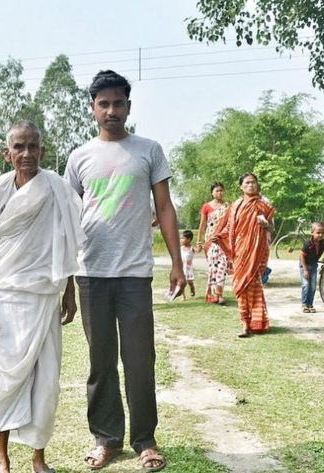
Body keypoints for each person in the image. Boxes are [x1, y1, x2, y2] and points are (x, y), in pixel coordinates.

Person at [64, 70, 185, 472]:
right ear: (92, 108)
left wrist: (177, 264)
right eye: (104, 103)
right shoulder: (79, 157)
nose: (111, 110)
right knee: (101, 362)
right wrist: (65, 277)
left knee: (139, 360)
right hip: (92, 273)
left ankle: (145, 440)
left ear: (129, 107)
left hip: (135, 274)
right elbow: (67, 218)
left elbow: (164, 208)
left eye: (118, 103)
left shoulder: (148, 150)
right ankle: (106, 439)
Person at [0, 121, 84, 473]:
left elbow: (66, 242)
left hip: (45, 296)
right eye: (19, 147)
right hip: (5, 297)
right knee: (4, 379)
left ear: (42, 150)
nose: (26, 154)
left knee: (46, 380)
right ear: (7, 154)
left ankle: (38, 458)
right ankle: (2, 456)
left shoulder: (58, 189)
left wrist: (69, 291)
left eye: (32, 147)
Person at [214, 173, 275, 338]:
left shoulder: (263, 206)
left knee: (253, 286)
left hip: (256, 251)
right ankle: (244, 324)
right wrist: (219, 237)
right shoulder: (235, 206)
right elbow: (230, 229)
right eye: (247, 183)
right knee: (240, 287)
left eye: (254, 182)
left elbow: (272, 230)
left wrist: (266, 224)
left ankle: (257, 322)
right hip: (240, 252)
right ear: (241, 186)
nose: (251, 185)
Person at [196, 182, 229, 305]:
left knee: (223, 266)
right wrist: (199, 242)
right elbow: (202, 225)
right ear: (212, 193)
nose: (220, 193)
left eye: (221, 190)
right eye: (217, 190)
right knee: (213, 268)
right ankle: (213, 294)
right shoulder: (206, 207)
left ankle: (219, 294)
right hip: (210, 242)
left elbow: (230, 225)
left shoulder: (227, 207)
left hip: (223, 241)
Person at [300, 222, 324, 313]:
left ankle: (310, 304)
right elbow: (302, 256)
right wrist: (305, 270)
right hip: (305, 266)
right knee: (306, 285)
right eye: (318, 233)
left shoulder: (322, 243)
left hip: (314, 266)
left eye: (322, 233)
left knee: (313, 286)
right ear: (312, 233)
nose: (320, 235)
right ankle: (304, 304)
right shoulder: (308, 243)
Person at [179, 230, 196, 299]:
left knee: (190, 282)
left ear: (189, 239)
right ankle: (183, 296)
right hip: (181, 268)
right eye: (180, 238)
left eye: (183, 238)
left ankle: (192, 289)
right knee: (182, 282)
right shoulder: (180, 248)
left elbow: (198, 250)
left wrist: (200, 246)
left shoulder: (192, 248)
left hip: (188, 269)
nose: (181, 240)